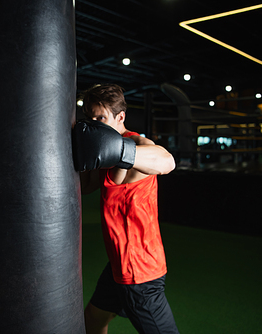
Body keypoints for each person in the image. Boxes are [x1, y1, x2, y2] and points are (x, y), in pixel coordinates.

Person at [73, 84, 179, 334]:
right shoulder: (102, 150)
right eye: (91, 118)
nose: (95, 124)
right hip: (118, 265)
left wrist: (122, 152)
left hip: (139, 269)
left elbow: (167, 161)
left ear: (120, 117)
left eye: (101, 118)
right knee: (93, 321)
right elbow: (88, 186)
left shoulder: (137, 144)